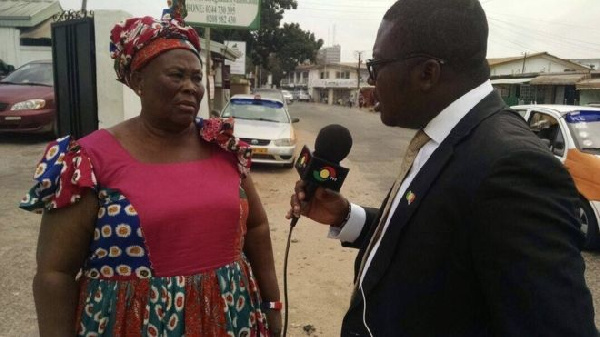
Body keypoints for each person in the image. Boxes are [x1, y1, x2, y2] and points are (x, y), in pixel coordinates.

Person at [288, 0, 598, 336]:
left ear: (427, 73)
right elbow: (429, 241)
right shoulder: (441, 135)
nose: (371, 82)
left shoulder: (513, 167)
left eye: (376, 66)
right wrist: (347, 216)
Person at [21, 15, 281, 336]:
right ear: (137, 81)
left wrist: (271, 304)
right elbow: (55, 273)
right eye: (176, 75)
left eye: (196, 77)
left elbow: (256, 226)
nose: (190, 86)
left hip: (232, 318)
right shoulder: (88, 159)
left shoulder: (222, 146)